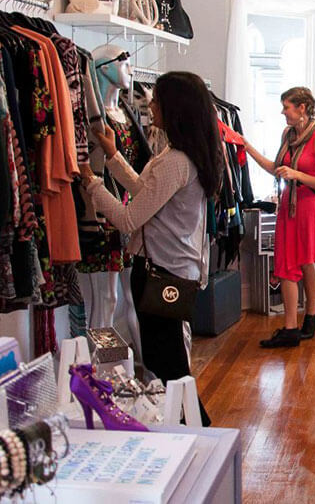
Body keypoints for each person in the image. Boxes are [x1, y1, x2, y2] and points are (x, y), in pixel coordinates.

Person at [78, 71, 220, 426]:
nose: (150, 104)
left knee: (169, 364)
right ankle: (194, 429)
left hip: (164, 273)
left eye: (156, 99)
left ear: (174, 107)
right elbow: (146, 191)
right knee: (167, 361)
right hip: (167, 270)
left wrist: (92, 184)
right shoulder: (178, 154)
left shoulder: (176, 161)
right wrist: (112, 156)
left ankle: (199, 430)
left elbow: (128, 219)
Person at [243, 87, 315, 348]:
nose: (283, 112)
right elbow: (275, 168)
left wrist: (297, 175)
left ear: (302, 108)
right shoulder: (287, 135)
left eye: (287, 106)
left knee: (305, 263)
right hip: (288, 206)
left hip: (308, 206)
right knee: (286, 265)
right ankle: (292, 327)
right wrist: (247, 147)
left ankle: (310, 316)